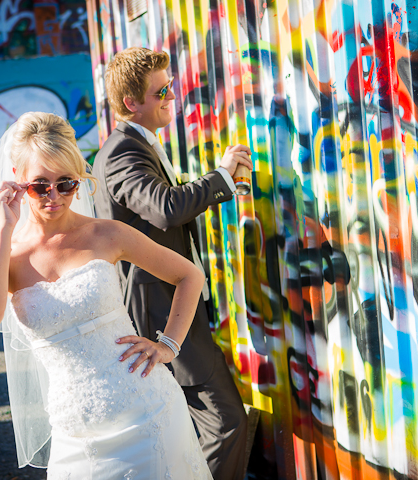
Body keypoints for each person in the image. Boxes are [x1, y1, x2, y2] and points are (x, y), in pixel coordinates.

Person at [0, 112, 213, 479]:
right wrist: (5, 227)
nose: (54, 196)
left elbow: (188, 275)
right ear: (17, 180)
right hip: (74, 432)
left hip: (148, 414)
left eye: (65, 184)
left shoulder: (107, 234)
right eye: (40, 185)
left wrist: (168, 345)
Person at [92, 47, 253, 480]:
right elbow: (164, 208)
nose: (171, 96)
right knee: (225, 422)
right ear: (131, 102)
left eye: (171, 86)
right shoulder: (122, 152)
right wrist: (220, 178)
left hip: (168, 305)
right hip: (159, 313)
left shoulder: (135, 144)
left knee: (182, 430)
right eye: (162, 90)